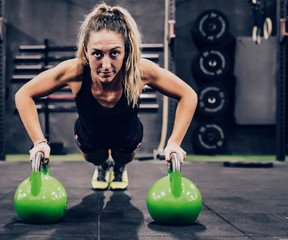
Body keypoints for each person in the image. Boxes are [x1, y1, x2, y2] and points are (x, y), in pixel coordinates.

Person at [15, 3, 197, 190]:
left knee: (122, 157)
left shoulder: (140, 71)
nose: (106, 64)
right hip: (90, 134)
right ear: (86, 50)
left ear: (126, 50)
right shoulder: (75, 71)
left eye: (115, 53)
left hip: (127, 134)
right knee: (95, 158)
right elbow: (24, 94)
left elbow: (188, 95)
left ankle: (118, 167)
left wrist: (174, 142)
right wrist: (39, 142)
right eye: (97, 54)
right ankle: (102, 166)